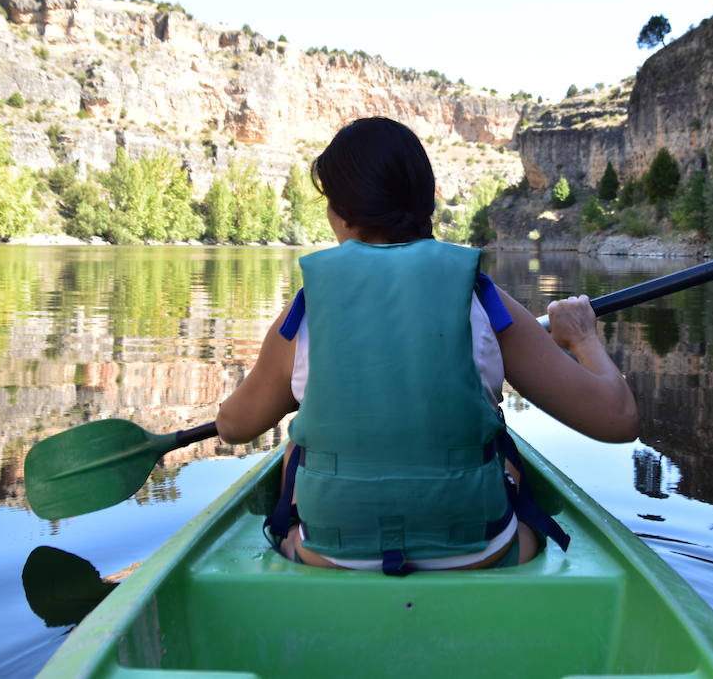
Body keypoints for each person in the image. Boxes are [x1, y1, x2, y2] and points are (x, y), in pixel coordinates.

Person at [216, 117, 639, 573]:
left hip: (331, 554)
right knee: (506, 459)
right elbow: (617, 420)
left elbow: (234, 426)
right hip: (478, 552)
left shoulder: (305, 313)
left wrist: (292, 394)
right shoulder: (482, 301)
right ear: (424, 202)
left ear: (339, 213)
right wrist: (582, 337)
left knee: (294, 451)